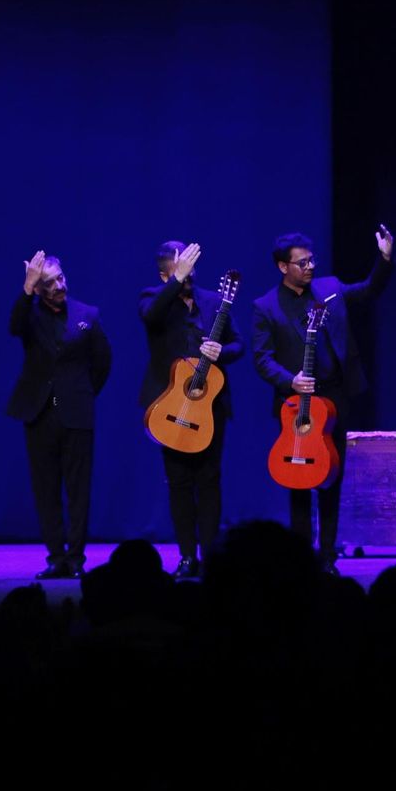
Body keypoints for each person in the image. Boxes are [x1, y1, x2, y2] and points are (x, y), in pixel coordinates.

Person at [250, 226, 394, 574]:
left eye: (311, 260)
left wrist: (385, 258)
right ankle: (301, 556)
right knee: (298, 476)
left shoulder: (328, 289)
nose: (310, 267)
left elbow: (368, 290)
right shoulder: (266, 306)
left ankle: (327, 555)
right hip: (294, 404)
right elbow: (261, 357)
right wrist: (291, 381)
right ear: (283, 267)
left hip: (333, 399)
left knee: (330, 475)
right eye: (302, 263)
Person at [139, 240, 244, 578]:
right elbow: (151, 315)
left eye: (190, 265)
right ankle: (187, 556)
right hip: (170, 407)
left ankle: (212, 556)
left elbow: (239, 343)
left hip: (210, 404)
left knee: (210, 480)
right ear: (163, 273)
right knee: (179, 482)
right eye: (180, 266)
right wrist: (174, 282)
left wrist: (221, 351)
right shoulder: (152, 299)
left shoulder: (213, 301)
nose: (189, 272)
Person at [7, 251, 112, 580]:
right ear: (38, 289)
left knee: (78, 489)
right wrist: (26, 287)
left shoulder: (87, 314)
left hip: (77, 412)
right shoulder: (31, 315)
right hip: (39, 413)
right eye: (49, 283)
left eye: (60, 279)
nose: (58, 286)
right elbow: (14, 326)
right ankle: (55, 557)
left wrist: (81, 392)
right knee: (45, 488)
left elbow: (103, 362)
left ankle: (77, 558)